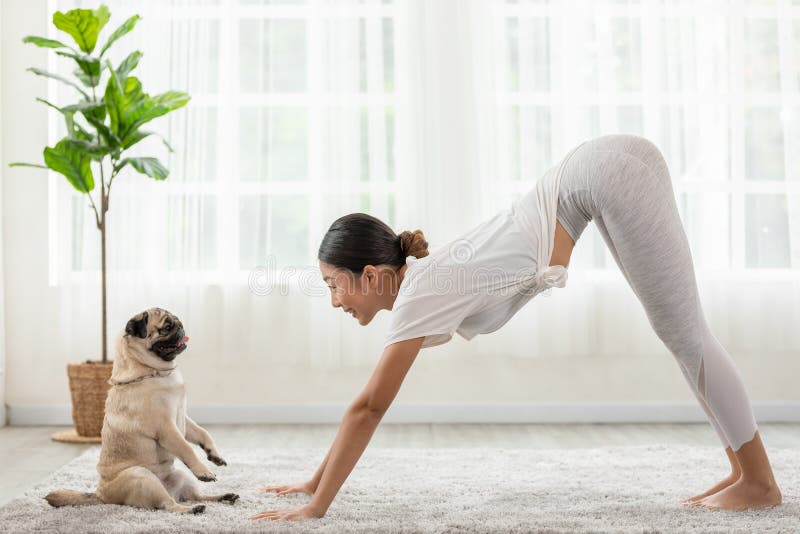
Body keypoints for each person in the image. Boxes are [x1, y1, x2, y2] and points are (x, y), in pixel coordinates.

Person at [249, 133, 782, 522]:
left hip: (605, 175)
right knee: (682, 336)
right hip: (599, 177)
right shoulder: (421, 287)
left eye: (332, 285)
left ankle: (758, 481)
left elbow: (368, 407)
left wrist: (317, 505)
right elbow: (367, 409)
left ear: (369, 275)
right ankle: (744, 473)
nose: (334, 301)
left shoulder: (416, 296)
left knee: (686, 335)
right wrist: (311, 484)